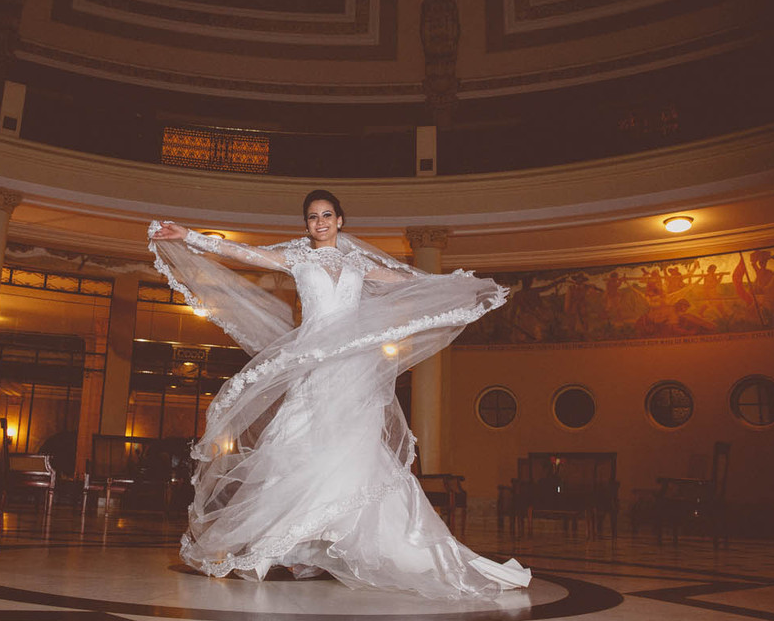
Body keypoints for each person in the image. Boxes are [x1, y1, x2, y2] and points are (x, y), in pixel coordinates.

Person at [149, 190, 530, 600]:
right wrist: (189, 235)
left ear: (341, 220)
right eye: (313, 217)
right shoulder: (299, 259)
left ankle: (353, 545)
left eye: (327, 215)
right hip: (314, 365)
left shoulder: (359, 263)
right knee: (298, 449)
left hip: (354, 370)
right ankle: (284, 545)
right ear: (307, 225)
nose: (320, 223)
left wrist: (453, 287)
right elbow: (249, 255)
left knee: (355, 454)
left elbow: (408, 284)